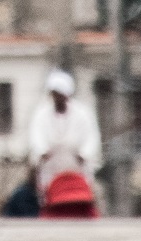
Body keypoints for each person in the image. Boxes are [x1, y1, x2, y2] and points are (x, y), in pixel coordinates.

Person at [26, 69, 101, 197]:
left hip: (76, 166)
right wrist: (42, 151)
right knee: (52, 196)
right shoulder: (41, 114)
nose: (57, 98)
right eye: (54, 94)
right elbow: (36, 135)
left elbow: (91, 136)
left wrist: (84, 153)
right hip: (52, 166)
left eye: (60, 94)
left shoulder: (82, 113)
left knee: (79, 196)